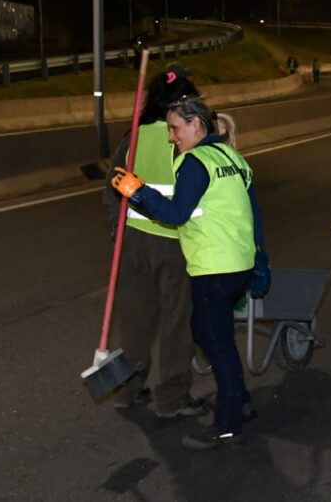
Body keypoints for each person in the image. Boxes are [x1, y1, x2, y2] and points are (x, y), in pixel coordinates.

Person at [111, 97, 271, 451]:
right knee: (210, 334)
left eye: (175, 128)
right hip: (238, 264)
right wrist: (261, 258)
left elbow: (176, 213)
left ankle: (228, 422)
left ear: (196, 125)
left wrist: (138, 193)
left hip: (213, 266)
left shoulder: (195, 161)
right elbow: (254, 211)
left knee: (217, 343)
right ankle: (239, 400)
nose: (171, 137)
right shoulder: (233, 157)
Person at [104, 66, 203, 418]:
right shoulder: (184, 137)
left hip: (134, 241)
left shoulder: (133, 137)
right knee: (177, 323)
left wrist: (117, 228)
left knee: (136, 320)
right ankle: (172, 399)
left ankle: (127, 391)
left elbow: (114, 186)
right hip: (175, 242)